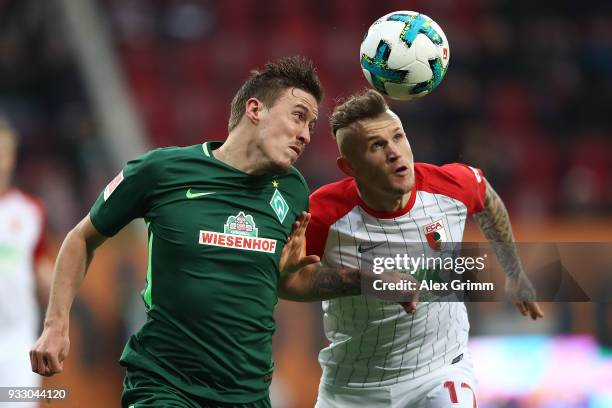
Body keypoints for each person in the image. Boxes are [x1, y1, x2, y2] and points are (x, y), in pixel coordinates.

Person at [30, 56, 324, 408]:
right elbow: (81, 238)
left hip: (247, 393)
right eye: (298, 116)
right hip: (165, 384)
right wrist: (55, 324)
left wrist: (363, 281)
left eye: (311, 124)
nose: (305, 134)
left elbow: (285, 281)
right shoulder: (162, 171)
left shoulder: (291, 191)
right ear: (255, 109)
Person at [279, 89, 544, 407]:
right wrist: (367, 280)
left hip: (439, 371)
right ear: (350, 167)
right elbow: (290, 283)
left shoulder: (448, 188)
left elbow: (486, 198)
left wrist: (514, 272)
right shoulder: (322, 213)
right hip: (352, 388)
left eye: (398, 137)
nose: (394, 152)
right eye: (377, 146)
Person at [0, 118, 52, 408]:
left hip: (17, 338)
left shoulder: (31, 211)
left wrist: (59, 308)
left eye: (4, 151)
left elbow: (39, 263)